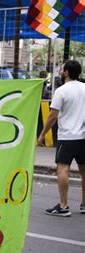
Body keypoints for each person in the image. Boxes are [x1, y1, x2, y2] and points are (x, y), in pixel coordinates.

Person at [38, 59, 85, 217]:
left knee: (63, 169)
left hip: (68, 136)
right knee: (84, 171)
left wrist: (43, 134)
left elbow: (52, 116)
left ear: (66, 72)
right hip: (83, 136)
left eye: (62, 68)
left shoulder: (62, 91)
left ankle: (63, 206)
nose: (60, 70)